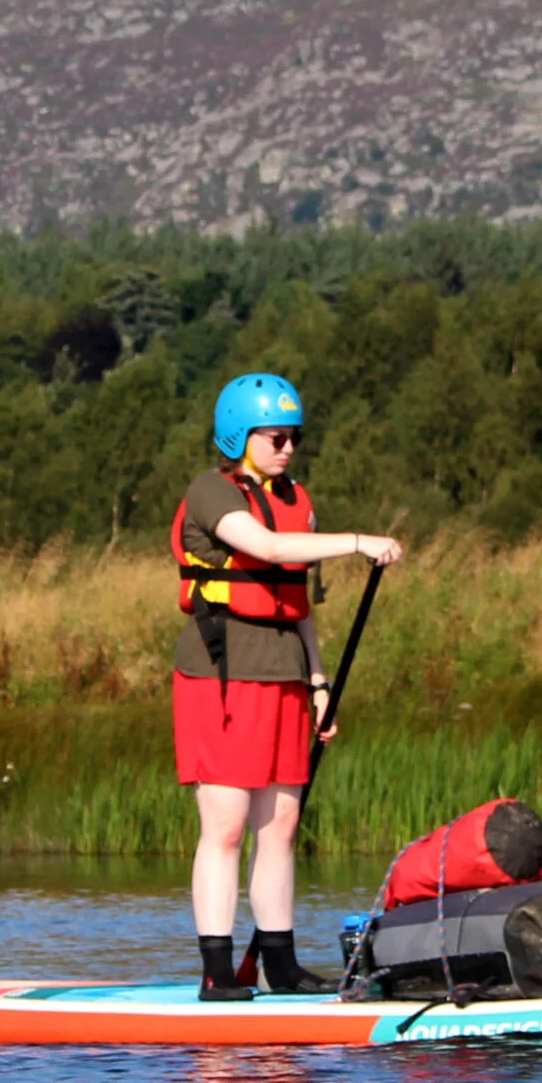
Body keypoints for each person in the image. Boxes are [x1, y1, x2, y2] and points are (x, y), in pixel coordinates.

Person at [171, 373, 404, 1000]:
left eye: (294, 437)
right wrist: (358, 542)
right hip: (220, 672)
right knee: (226, 824)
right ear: (240, 437)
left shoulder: (296, 498)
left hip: (283, 674)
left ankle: (280, 961)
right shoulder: (209, 492)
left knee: (280, 825)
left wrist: (319, 679)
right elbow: (269, 550)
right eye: (275, 437)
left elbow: (296, 604)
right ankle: (218, 971)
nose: (288, 448)